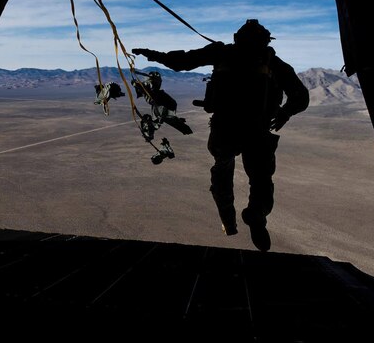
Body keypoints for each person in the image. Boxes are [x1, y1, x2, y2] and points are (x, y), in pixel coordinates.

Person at [132, 19, 309, 251]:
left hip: (225, 128)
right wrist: (285, 113)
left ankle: (229, 220)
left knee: (223, 173)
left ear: (237, 38)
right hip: (257, 130)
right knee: (261, 180)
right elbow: (301, 96)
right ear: (265, 42)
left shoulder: (222, 53)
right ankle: (256, 216)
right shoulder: (273, 63)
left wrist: (153, 55)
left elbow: (183, 61)